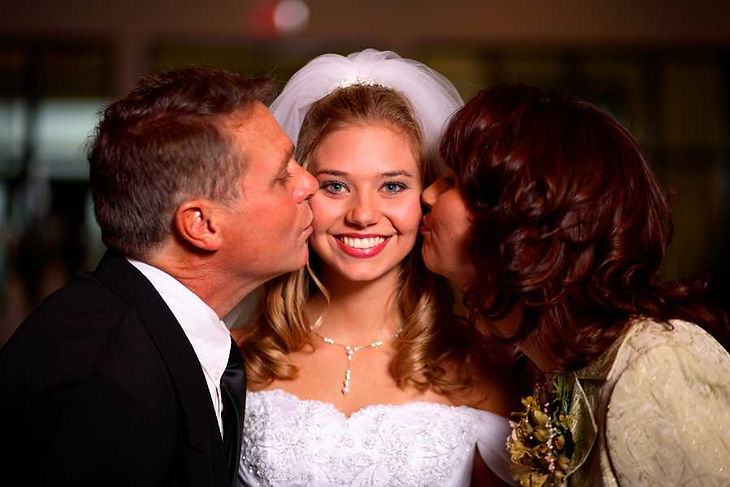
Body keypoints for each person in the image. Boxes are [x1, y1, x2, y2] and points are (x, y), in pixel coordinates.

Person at [0, 66, 317, 486]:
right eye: (283, 175)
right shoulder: (100, 383)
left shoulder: (145, 329)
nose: (309, 183)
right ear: (202, 225)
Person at [421, 83, 730, 486]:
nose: (428, 195)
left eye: (452, 182)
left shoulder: (658, 363)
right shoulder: (550, 370)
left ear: (522, 217)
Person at [236, 50, 516, 486]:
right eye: (335, 186)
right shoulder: (232, 357)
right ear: (301, 191)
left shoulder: (486, 366)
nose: (363, 215)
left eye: (391, 186)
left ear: (428, 193)